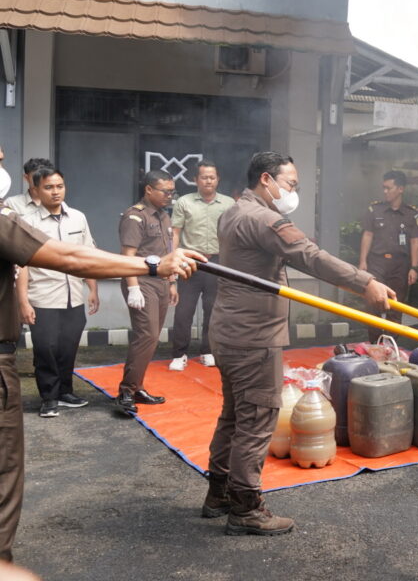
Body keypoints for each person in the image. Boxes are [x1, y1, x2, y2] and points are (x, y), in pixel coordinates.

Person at [2, 145, 204, 563]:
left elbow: (82, 250)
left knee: (69, 347)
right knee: (5, 472)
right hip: (48, 299)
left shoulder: (84, 217)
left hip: (78, 293)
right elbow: (72, 257)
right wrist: (149, 269)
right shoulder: (11, 219)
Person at [204, 151, 393, 536]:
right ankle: (245, 508)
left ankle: (219, 493)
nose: (294, 191)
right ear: (266, 180)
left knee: (235, 415)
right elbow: (309, 256)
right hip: (253, 336)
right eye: (291, 184)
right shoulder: (263, 218)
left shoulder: (233, 211)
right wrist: (364, 282)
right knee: (257, 418)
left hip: (228, 330)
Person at [16, 168, 99, 418]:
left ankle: (65, 391)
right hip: (43, 296)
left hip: (73, 295)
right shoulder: (28, 222)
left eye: (59, 186)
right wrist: (23, 302)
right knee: (46, 348)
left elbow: (87, 255)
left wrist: (92, 288)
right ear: (37, 191)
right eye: (49, 187)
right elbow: (22, 265)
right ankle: (49, 397)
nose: (55, 191)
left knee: (68, 346)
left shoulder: (78, 217)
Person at [116, 170, 179, 415]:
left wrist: (172, 282)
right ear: (149, 190)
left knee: (152, 337)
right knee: (147, 336)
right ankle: (126, 391)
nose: (169, 196)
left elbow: (168, 251)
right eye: (165, 191)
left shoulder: (163, 216)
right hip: (142, 282)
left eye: (172, 192)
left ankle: (137, 386)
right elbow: (127, 257)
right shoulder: (135, 216)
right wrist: (132, 287)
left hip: (161, 282)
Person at [169, 161, 233, 371]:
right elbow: (175, 233)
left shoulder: (229, 204)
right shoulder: (184, 202)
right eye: (204, 177)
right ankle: (179, 354)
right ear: (195, 180)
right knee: (183, 310)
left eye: (212, 177)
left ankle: (207, 351)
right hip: (190, 261)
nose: (208, 181)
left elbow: (234, 236)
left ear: (218, 179)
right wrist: (172, 262)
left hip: (217, 262)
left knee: (213, 309)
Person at [358, 170, 418, 340]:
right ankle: (374, 345)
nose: (385, 191)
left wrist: (414, 267)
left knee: (396, 306)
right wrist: (363, 261)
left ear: (400, 189)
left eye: (388, 188)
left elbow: (415, 241)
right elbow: (368, 234)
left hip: (400, 265)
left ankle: (391, 348)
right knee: (373, 305)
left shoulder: (411, 213)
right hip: (376, 263)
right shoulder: (375, 210)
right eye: (383, 188)